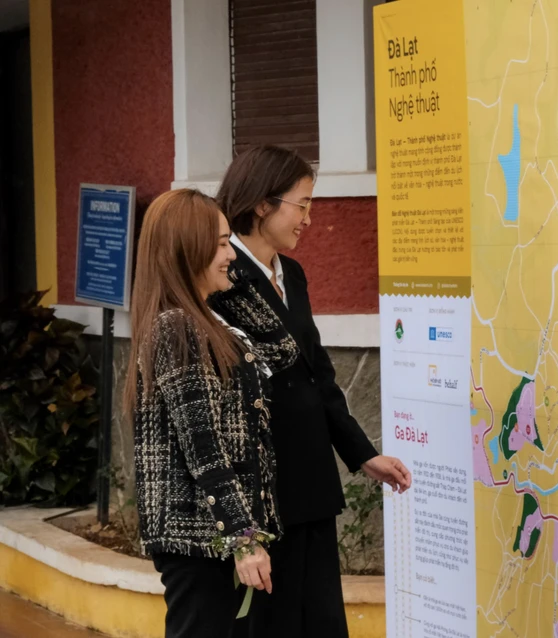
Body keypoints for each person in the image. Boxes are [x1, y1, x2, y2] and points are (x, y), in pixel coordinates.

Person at [213, 145, 412, 636]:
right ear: (263, 204)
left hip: (311, 482)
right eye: (302, 204)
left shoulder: (292, 274)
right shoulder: (219, 276)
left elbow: (318, 374)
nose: (308, 217)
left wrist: (362, 454)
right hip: (264, 488)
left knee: (321, 619)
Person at [125, 189, 301, 637]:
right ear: (189, 249)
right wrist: (245, 540)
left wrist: (226, 274)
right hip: (201, 540)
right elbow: (204, 447)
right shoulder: (177, 326)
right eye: (221, 244)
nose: (231, 255)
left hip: (218, 538)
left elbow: (282, 351)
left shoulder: (206, 318)